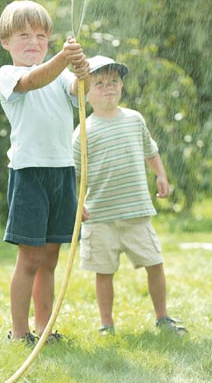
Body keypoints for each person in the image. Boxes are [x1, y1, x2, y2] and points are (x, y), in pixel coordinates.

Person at [0, 0, 90, 345]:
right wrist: (63, 59)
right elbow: (34, 80)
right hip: (30, 174)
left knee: (50, 258)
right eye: (23, 35)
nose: (33, 42)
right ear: (6, 42)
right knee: (30, 257)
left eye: (40, 35)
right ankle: (19, 333)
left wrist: (83, 70)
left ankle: (44, 329)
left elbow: (80, 91)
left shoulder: (60, 73)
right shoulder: (8, 75)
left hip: (61, 172)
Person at [72, 55, 187, 336]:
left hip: (136, 212)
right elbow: (74, 174)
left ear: (122, 86)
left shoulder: (134, 119)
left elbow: (151, 151)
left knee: (155, 264)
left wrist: (160, 174)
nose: (108, 87)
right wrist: (76, 204)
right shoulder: (83, 132)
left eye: (114, 81)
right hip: (100, 216)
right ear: (85, 95)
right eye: (99, 83)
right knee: (104, 272)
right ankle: (106, 324)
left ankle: (162, 317)